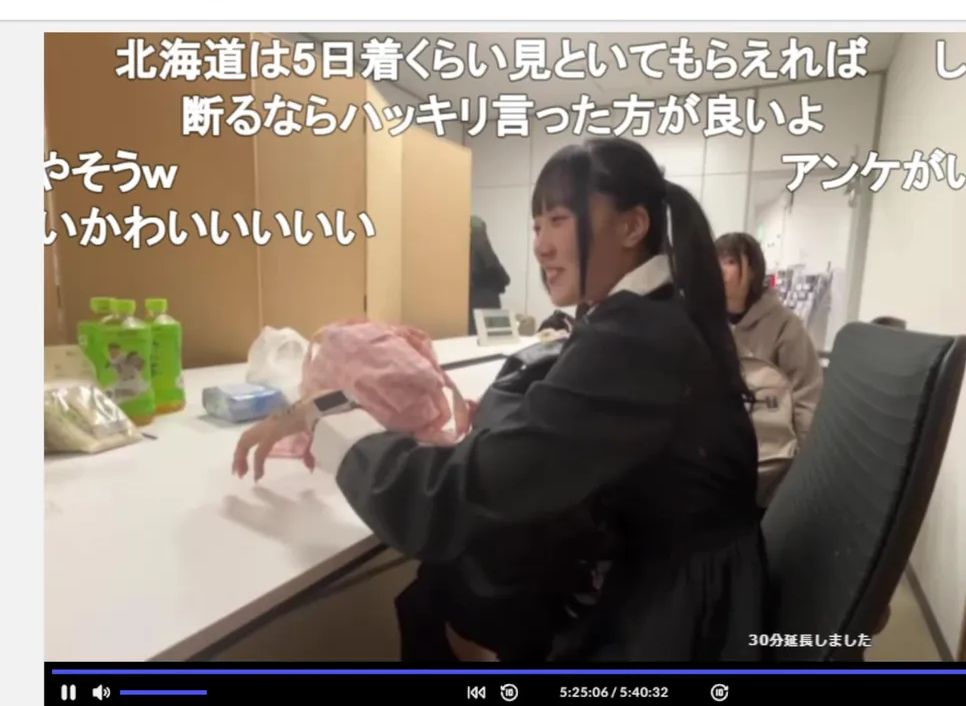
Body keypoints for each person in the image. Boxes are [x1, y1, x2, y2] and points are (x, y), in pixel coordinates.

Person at [232, 138, 766, 662]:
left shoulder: (634, 339)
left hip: (677, 621)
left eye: (559, 219)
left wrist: (326, 413)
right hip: (689, 585)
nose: (540, 245)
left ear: (632, 226)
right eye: (537, 226)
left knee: (450, 595)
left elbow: (444, 500)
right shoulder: (653, 314)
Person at [715, 233, 824, 504]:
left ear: (752, 270)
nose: (720, 269)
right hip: (717, 459)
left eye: (730, 261)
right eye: (714, 260)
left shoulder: (785, 326)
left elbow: (806, 396)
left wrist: (804, 469)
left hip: (768, 464)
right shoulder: (707, 320)